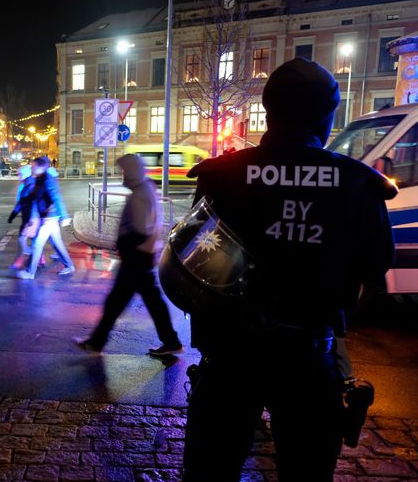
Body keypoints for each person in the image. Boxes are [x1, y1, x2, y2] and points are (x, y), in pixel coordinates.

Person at [162, 59, 396, 481]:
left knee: (209, 473)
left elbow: (189, 265)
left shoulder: (221, 174)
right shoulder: (358, 183)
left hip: (228, 361)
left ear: (268, 111)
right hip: (309, 363)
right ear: (328, 117)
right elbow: (374, 274)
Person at [75, 154, 183, 356]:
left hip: (136, 257)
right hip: (142, 256)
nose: (122, 176)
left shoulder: (140, 194)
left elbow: (142, 229)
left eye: (125, 171)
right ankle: (171, 341)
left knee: (118, 302)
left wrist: (124, 245)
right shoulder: (145, 190)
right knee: (147, 301)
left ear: (132, 172)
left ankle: (97, 343)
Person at [16, 156, 74, 279]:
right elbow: (36, 199)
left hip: (49, 218)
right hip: (48, 218)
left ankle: (30, 272)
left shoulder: (48, 179)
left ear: (41, 167)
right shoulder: (39, 178)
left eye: (33, 166)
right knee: (57, 243)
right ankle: (69, 265)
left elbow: (56, 197)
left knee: (37, 244)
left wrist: (64, 216)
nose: (31, 168)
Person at [8, 165, 38, 269]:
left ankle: (23, 260)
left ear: (24, 174)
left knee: (22, 239)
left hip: (30, 218)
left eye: (19, 174)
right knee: (33, 240)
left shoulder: (28, 186)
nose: (18, 176)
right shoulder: (28, 184)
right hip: (30, 217)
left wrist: (13, 214)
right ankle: (38, 258)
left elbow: (22, 203)